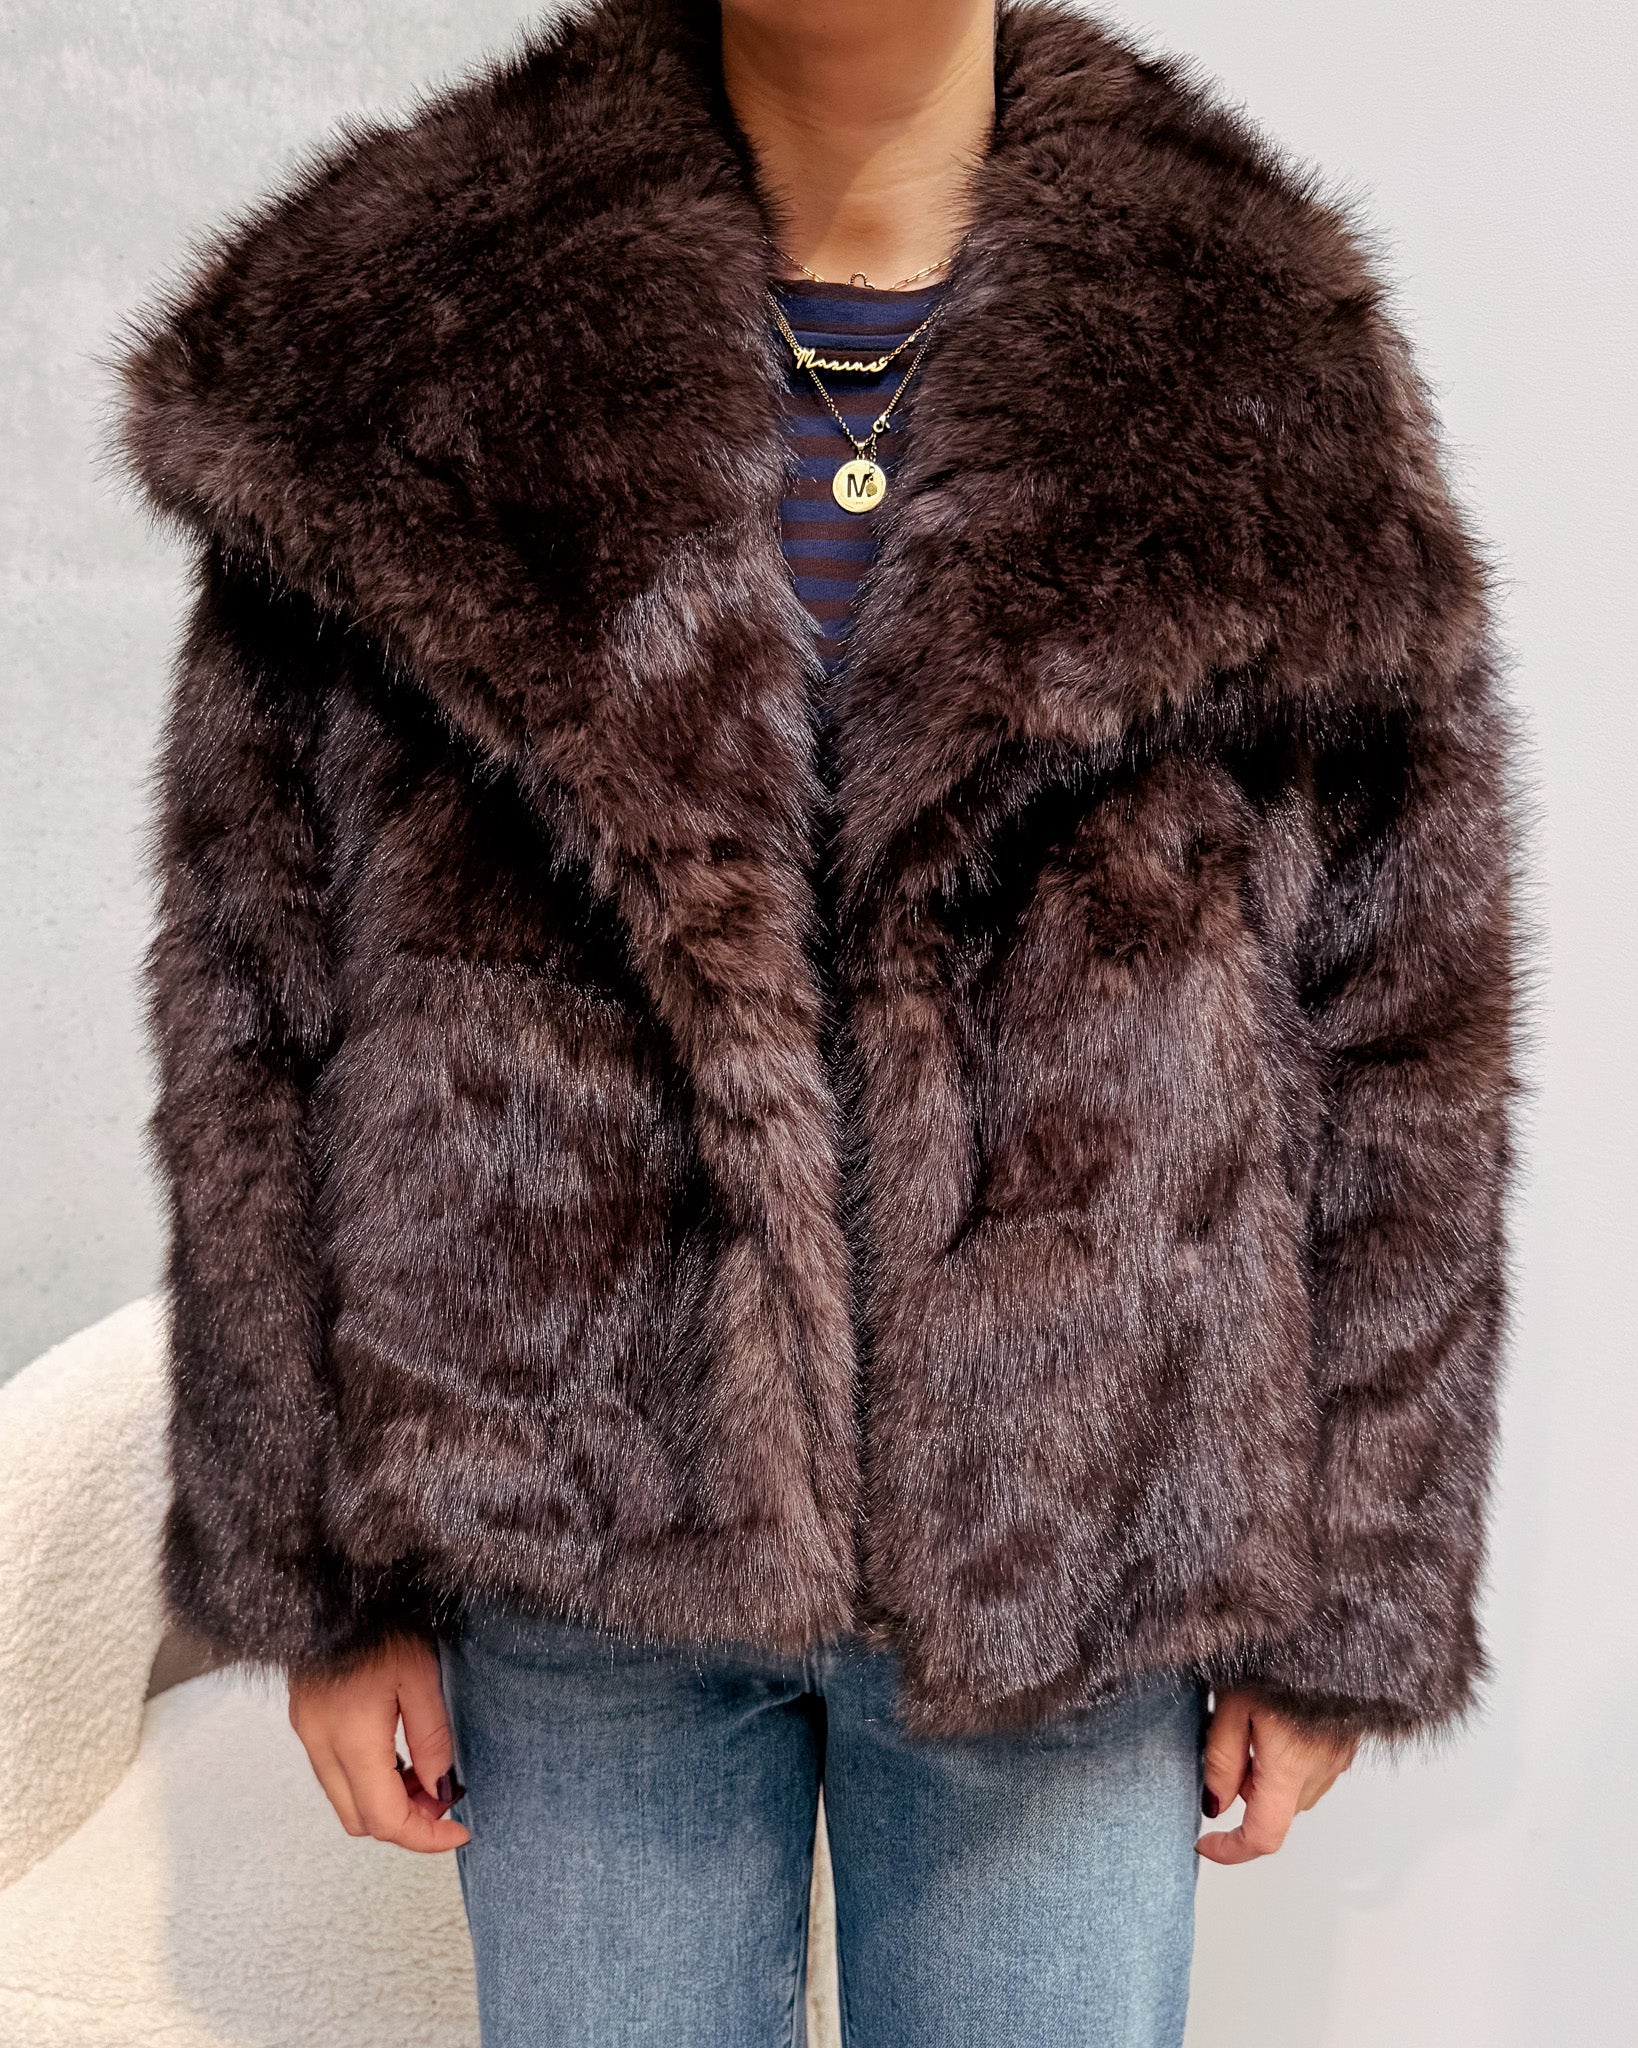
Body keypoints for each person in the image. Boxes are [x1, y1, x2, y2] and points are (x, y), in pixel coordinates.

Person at [115, 0, 1514, 2041]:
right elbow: (253, 995)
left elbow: (1405, 1020)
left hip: (1071, 1543)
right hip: (574, 1527)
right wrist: (307, 1575)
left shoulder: (1251, 350)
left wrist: (1355, 1588)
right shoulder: (410, 338)